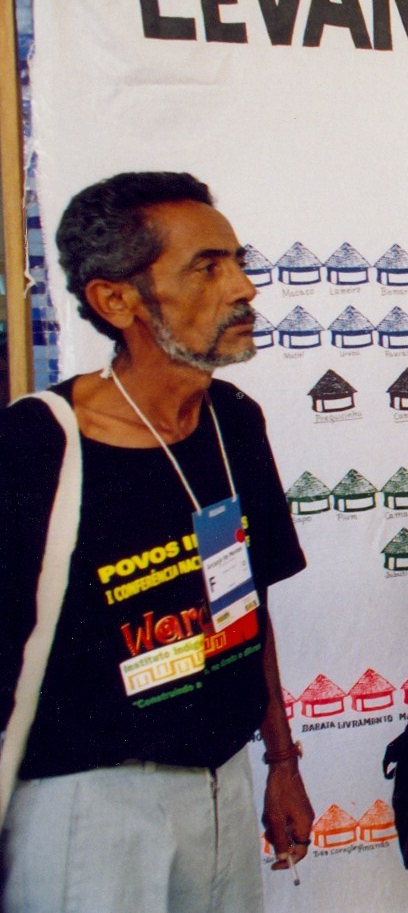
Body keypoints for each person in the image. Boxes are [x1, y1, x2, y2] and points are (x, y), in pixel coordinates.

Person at [0, 172, 313, 911]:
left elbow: (248, 603)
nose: (243, 288)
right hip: (91, 809)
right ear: (117, 300)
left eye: (237, 261)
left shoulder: (233, 420)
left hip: (223, 784)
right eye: (207, 268)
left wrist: (280, 760)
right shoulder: (40, 444)